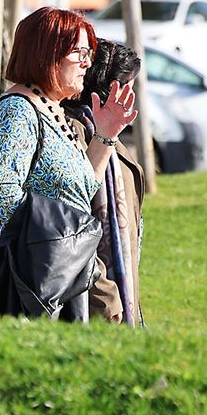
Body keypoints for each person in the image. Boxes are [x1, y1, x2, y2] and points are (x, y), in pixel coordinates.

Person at [0, 9, 139, 313]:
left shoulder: (55, 111)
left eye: (88, 52)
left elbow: (80, 193)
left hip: (50, 275)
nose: (88, 63)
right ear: (47, 53)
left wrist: (105, 135)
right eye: (80, 52)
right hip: (13, 279)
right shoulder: (16, 112)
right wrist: (64, 234)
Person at [65, 39, 146, 326]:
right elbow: (73, 225)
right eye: (129, 87)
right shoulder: (73, 134)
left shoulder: (113, 142)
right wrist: (108, 298)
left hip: (119, 302)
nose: (133, 96)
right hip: (88, 304)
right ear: (111, 89)